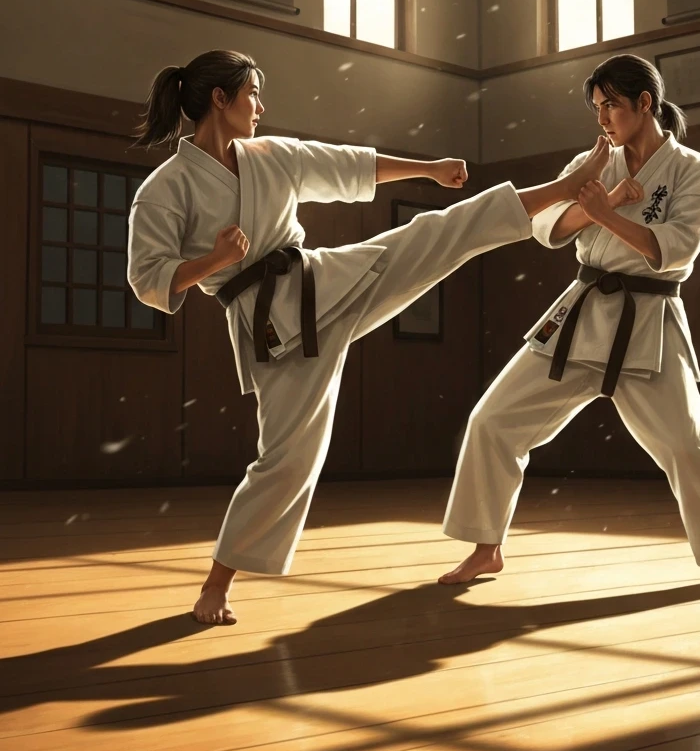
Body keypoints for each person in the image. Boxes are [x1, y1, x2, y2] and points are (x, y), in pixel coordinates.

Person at [127, 49, 630, 625]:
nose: (261, 107)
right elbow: (149, 281)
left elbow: (349, 167)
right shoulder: (166, 188)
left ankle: (565, 187)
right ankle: (216, 586)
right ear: (220, 99)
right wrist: (212, 259)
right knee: (288, 462)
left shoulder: (271, 155)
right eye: (252, 94)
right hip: (273, 329)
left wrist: (429, 169)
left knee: (439, 232)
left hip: (323, 282)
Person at [438, 53, 700, 594]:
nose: (602, 120)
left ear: (646, 103)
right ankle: (486, 547)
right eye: (597, 108)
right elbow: (549, 227)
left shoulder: (694, 171)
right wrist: (602, 198)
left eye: (612, 106)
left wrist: (605, 213)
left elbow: (671, 250)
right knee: (493, 419)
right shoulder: (593, 159)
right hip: (580, 311)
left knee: (687, 444)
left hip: (648, 321)